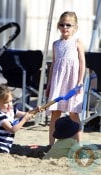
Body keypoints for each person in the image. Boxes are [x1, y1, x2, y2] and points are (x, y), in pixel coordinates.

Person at [46, 11, 86, 146]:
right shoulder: (56, 44)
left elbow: (82, 63)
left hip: (72, 81)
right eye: (62, 24)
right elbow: (53, 65)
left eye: (68, 25)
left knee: (74, 113)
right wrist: (50, 83)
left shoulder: (77, 42)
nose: (65, 28)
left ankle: (79, 144)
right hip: (58, 81)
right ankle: (51, 145)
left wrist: (80, 81)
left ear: (75, 27)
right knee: (55, 113)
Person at [0, 84, 37, 155]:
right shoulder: (0, 116)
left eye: (10, 101)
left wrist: (35, 110)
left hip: (6, 148)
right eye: (6, 102)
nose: (9, 104)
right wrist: (24, 119)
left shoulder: (11, 110)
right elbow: (12, 130)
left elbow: (25, 114)